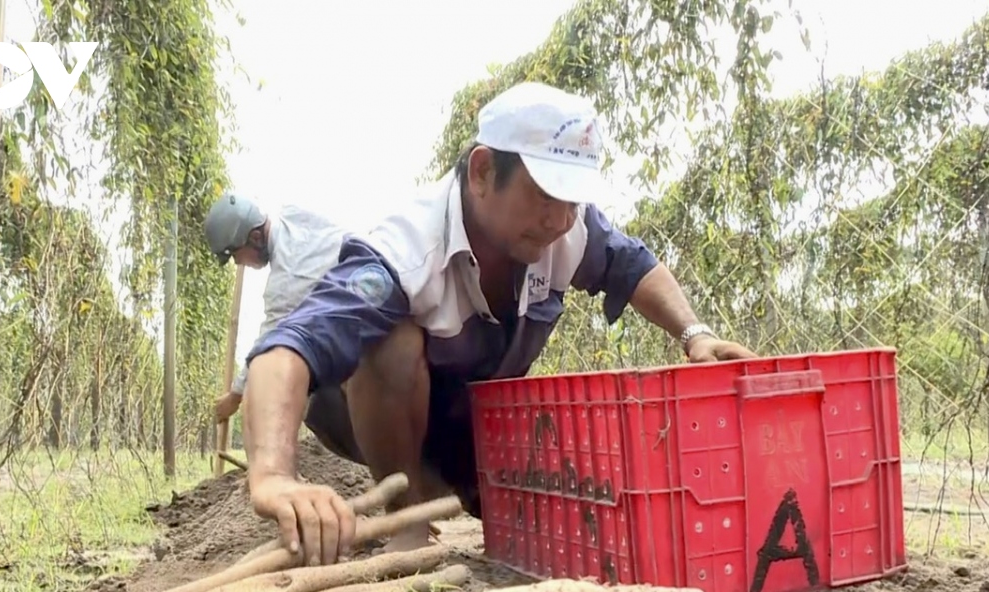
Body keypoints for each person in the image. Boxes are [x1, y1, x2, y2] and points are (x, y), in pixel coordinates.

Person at [239, 81, 758, 567]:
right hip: (371, 417)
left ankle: (457, 489)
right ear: (483, 172)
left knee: (543, 511)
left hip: (472, 421)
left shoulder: (566, 231)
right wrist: (272, 477)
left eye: (572, 201)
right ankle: (407, 516)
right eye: (544, 195)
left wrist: (697, 335)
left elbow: (634, 265)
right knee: (391, 343)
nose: (560, 219)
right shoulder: (404, 251)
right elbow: (288, 347)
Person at [202, 193, 351, 454]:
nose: (239, 263)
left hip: (364, 332)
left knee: (313, 401)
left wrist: (235, 397)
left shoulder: (286, 282)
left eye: (237, 255)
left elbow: (267, 344)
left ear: (256, 238)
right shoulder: (295, 213)